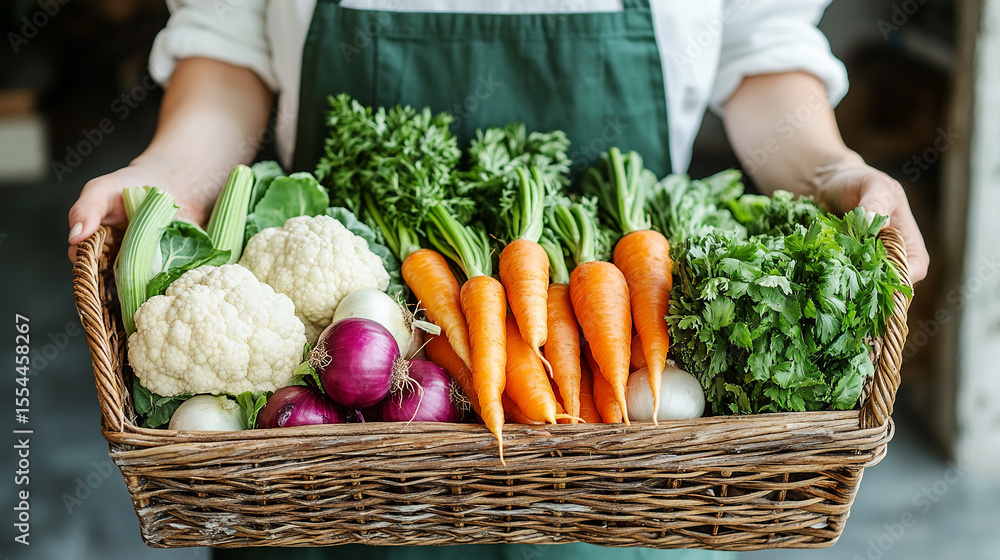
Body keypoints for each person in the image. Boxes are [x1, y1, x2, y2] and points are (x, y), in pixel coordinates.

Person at [65, 1, 929, 558]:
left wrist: (828, 174)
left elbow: (759, 49)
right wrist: (166, 185)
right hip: (342, 441)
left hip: (618, 454)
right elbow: (228, 50)